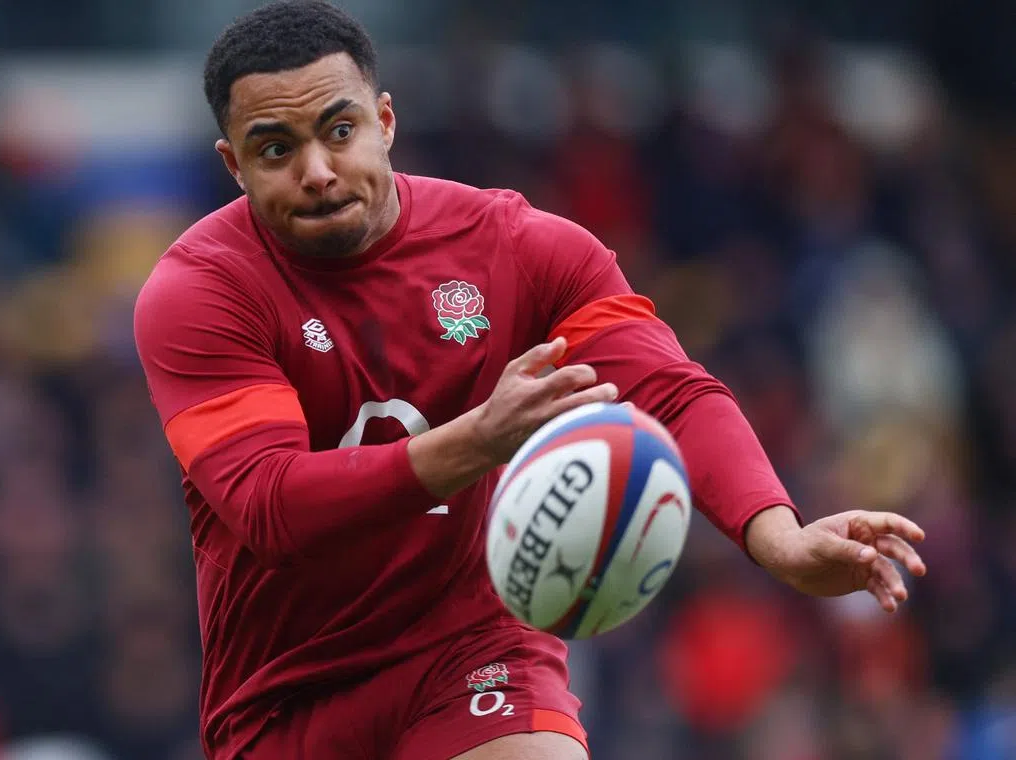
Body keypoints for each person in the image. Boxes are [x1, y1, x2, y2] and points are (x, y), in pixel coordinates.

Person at [132, 2, 928, 758]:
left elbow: (670, 391)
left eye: (339, 131)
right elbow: (272, 504)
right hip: (283, 694)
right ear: (234, 165)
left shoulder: (515, 246)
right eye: (276, 149)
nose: (316, 170)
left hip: (473, 651)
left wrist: (779, 537)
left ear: (383, 121)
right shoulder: (202, 290)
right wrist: (478, 440)